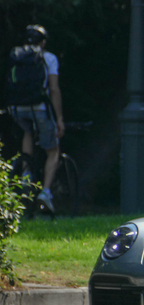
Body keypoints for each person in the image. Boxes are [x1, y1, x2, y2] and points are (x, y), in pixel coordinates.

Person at [9, 25, 65, 213]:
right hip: (39, 108)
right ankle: (46, 193)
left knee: (27, 131)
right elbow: (54, 89)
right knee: (53, 151)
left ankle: (25, 174)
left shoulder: (17, 55)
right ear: (43, 42)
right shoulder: (48, 58)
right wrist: (59, 118)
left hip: (17, 108)